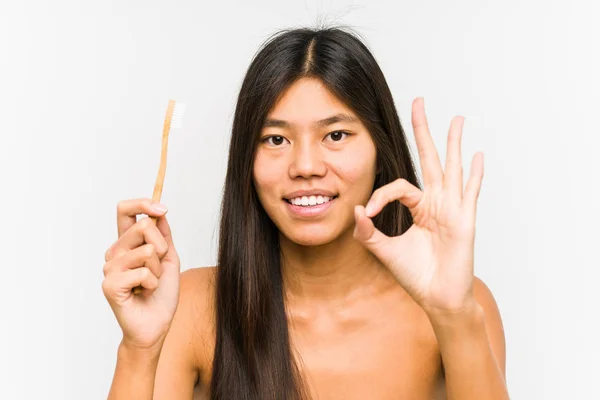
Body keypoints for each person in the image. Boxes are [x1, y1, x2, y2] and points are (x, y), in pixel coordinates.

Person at [102, 27, 508, 400]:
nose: (306, 166)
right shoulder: (192, 307)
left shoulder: (459, 305)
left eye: (335, 135)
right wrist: (139, 348)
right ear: (247, 161)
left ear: (380, 154)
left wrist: (454, 316)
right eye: (276, 139)